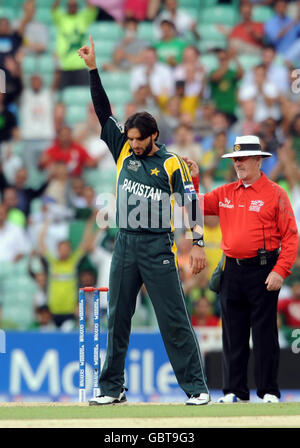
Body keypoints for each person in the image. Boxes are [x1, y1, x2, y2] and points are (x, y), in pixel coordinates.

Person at [77, 35, 210, 406]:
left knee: (173, 318)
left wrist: (198, 243)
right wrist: (93, 70)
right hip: (125, 243)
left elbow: (191, 201)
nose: (132, 144)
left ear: (153, 136)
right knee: (117, 318)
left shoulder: (170, 162)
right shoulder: (121, 147)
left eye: (138, 139)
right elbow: (104, 113)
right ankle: (111, 388)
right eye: (130, 139)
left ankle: (196, 388)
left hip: (158, 247)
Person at [184, 135, 299, 404]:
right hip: (231, 270)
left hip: (264, 269)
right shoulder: (225, 193)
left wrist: (281, 270)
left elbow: (291, 236)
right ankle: (234, 391)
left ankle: (268, 391)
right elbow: (194, 206)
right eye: (235, 159)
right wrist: (194, 181)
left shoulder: (276, 194)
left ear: (258, 160)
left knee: (264, 336)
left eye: (243, 158)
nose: (238, 164)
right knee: (232, 335)